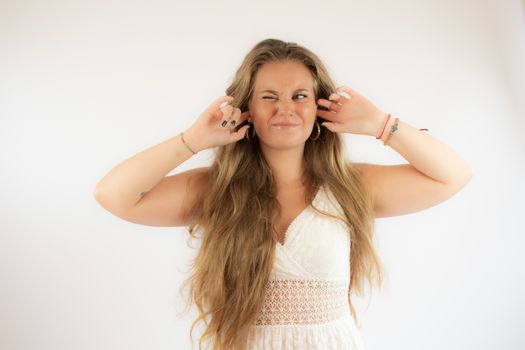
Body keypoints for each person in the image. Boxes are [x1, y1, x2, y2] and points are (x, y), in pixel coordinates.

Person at [93, 38, 473, 350]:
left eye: (300, 96)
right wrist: (193, 140)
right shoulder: (217, 189)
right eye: (269, 97)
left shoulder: (350, 187)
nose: (286, 109)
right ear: (248, 111)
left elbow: (452, 176)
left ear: (319, 107)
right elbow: (114, 195)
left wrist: (379, 123)